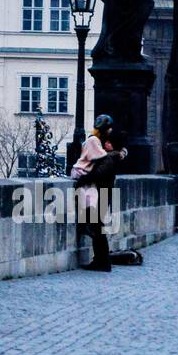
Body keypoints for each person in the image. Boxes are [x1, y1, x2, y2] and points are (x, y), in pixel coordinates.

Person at [70, 114, 127, 272]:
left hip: (102, 192)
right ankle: (101, 260)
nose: (106, 144)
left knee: (97, 227)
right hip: (103, 192)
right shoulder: (109, 156)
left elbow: (99, 173)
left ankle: (102, 262)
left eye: (109, 143)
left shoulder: (108, 158)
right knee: (97, 227)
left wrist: (84, 179)